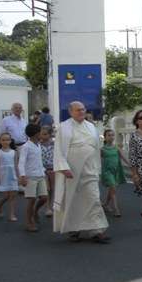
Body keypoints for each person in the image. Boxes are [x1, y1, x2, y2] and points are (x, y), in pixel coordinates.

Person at [52, 101, 110, 243]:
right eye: (78, 110)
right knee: (73, 200)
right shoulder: (63, 127)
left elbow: (96, 148)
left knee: (94, 198)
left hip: (90, 168)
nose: (81, 112)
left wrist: (98, 168)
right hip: (72, 169)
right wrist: (63, 167)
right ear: (71, 112)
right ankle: (74, 230)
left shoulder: (91, 126)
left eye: (83, 109)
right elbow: (58, 149)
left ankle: (97, 230)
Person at [17, 123, 48, 232]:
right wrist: (22, 176)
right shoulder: (26, 147)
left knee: (44, 198)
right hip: (30, 176)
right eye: (40, 132)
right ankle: (28, 222)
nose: (41, 134)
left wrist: (43, 171)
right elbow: (21, 162)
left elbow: (39, 161)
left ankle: (35, 212)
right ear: (36, 134)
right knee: (32, 200)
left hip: (40, 175)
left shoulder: (38, 145)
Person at [101, 129, 129, 217]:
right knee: (113, 187)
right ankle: (116, 209)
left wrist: (131, 166)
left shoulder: (116, 147)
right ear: (105, 137)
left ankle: (106, 204)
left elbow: (123, 157)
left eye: (112, 135)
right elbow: (96, 160)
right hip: (107, 172)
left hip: (116, 171)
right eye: (109, 135)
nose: (111, 137)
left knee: (111, 189)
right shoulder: (102, 149)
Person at [0, 132, 18, 221]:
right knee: (6, 196)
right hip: (3, 175)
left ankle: (12, 214)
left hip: (13, 175)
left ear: (10, 141)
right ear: (0, 141)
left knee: (13, 196)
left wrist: (18, 176)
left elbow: (16, 165)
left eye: (7, 140)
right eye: (3, 140)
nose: (5, 142)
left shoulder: (14, 152)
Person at [40, 126, 55, 216]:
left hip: (53, 168)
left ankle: (51, 205)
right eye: (41, 134)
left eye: (45, 134)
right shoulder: (38, 144)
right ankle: (47, 207)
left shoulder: (54, 144)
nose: (42, 136)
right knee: (47, 188)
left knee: (52, 188)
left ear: (50, 134)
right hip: (43, 169)